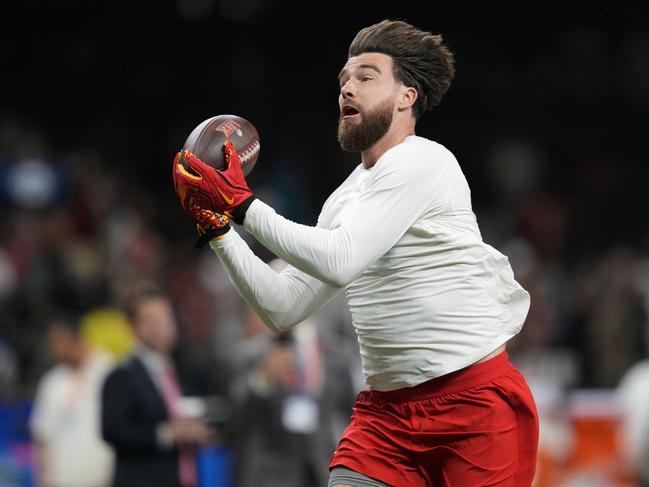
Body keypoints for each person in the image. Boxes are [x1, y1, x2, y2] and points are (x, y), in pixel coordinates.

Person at [172, 19, 539, 487]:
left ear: (407, 96)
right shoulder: (345, 197)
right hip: (386, 417)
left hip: (474, 406)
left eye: (366, 77)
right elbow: (282, 308)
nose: (348, 88)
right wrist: (219, 228)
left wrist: (241, 205)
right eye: (344, 79)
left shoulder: (424, 159)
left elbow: (340, 259)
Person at [228, 285, 358, 487]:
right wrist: (262, 379)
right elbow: (235, 415)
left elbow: (353, 415)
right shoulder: (252, 354)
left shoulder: (335, 352)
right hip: (270, 473)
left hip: (322, 468)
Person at [101, 283, 215, 487]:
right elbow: (112, 430)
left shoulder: (182, 370)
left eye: (166, 318)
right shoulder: (121, 376)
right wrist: (165, 434)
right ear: (133, 327)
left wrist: (199, 431)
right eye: (152, 321)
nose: (163, 327)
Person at [30, 313, 115, 487]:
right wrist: (43, 476)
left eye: (57, 342)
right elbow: (42, 435)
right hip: (62, 481)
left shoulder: (109, 371)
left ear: (75, 337)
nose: (53, 349)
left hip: (103, 479)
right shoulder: (52, 381)